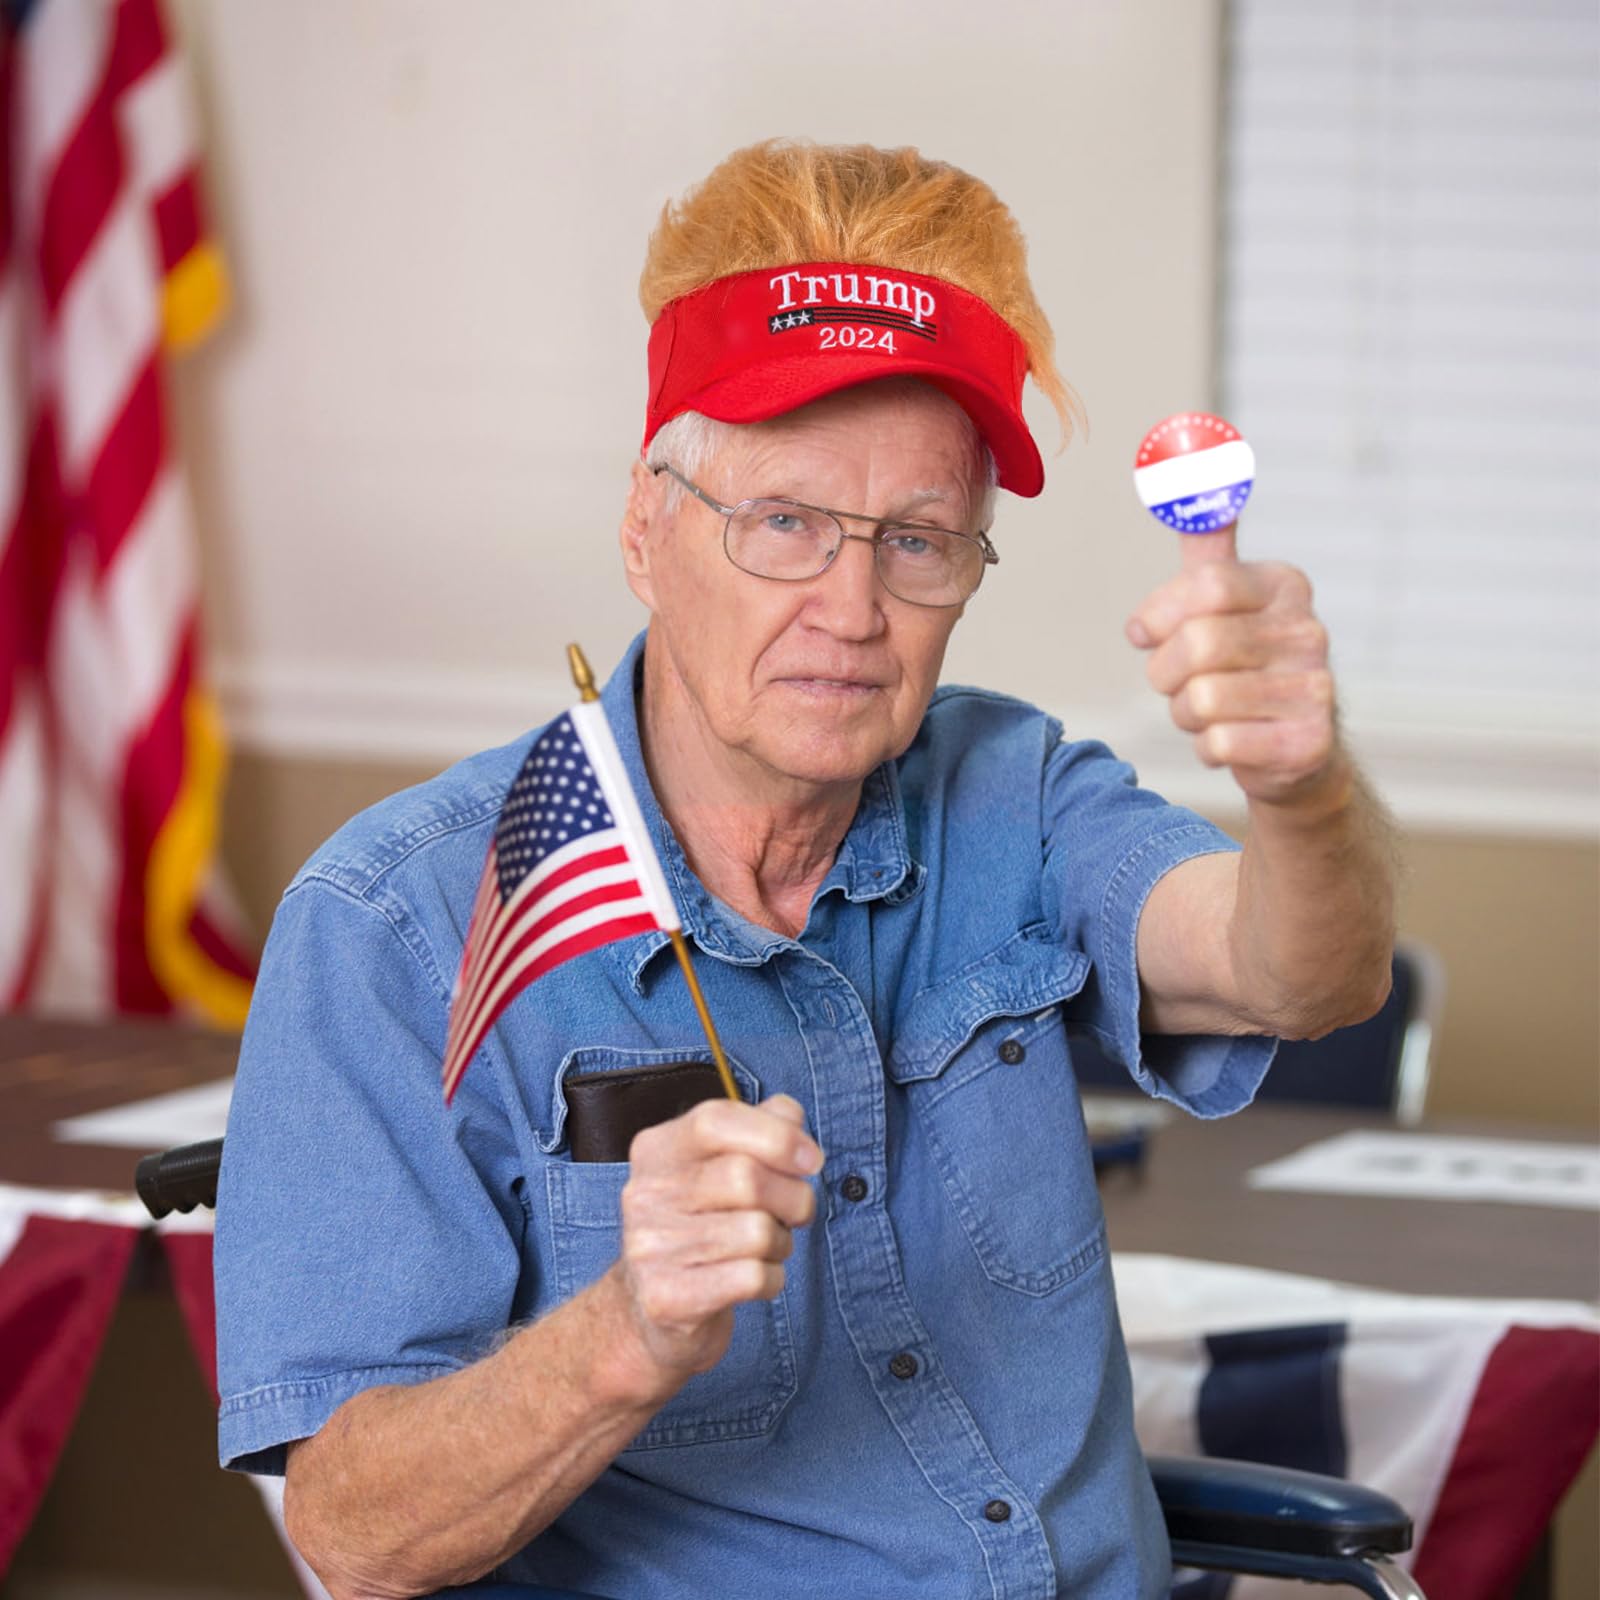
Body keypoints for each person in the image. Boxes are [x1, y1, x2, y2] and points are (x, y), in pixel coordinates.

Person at [214, 140, 1396, 1600]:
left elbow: (1303, 972)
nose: (853, 608)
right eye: (784, 524)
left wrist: (1301, 790)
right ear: (648, 530)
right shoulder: (396, 921)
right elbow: (355, 1534)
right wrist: (625, 1335)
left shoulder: (1010, 790)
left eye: (917, 542)